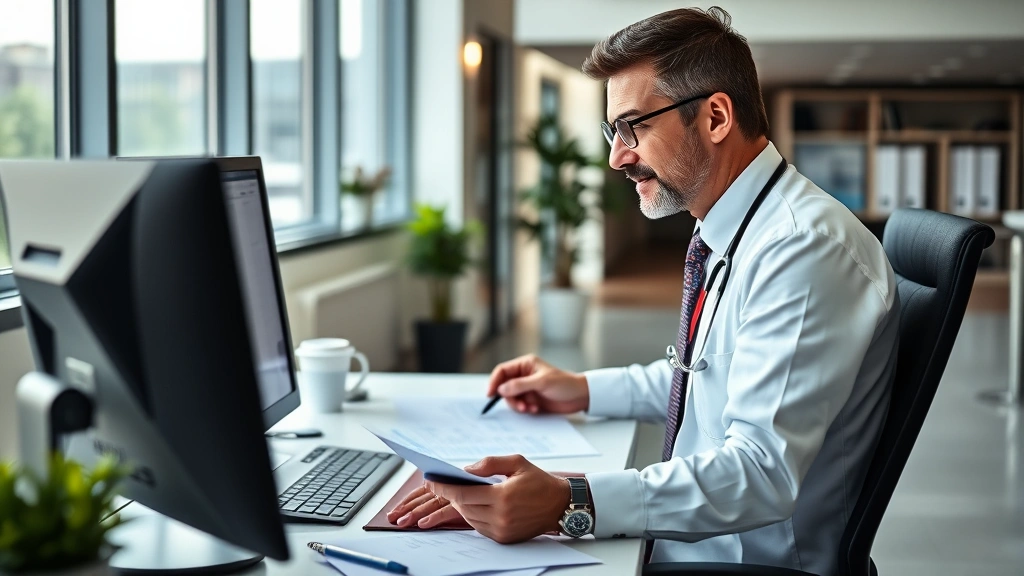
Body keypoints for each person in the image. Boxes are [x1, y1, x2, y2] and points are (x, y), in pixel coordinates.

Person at [387, 6, 899, 575]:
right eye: (613, 131)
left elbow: (761, 474)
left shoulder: (803, 249)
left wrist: (569, 500)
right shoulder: (741, 228)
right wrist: (580, 389)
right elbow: (711, 376)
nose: (616, 157)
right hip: (688, 541)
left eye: (634, 127)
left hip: (741, 562)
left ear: (717, 117)